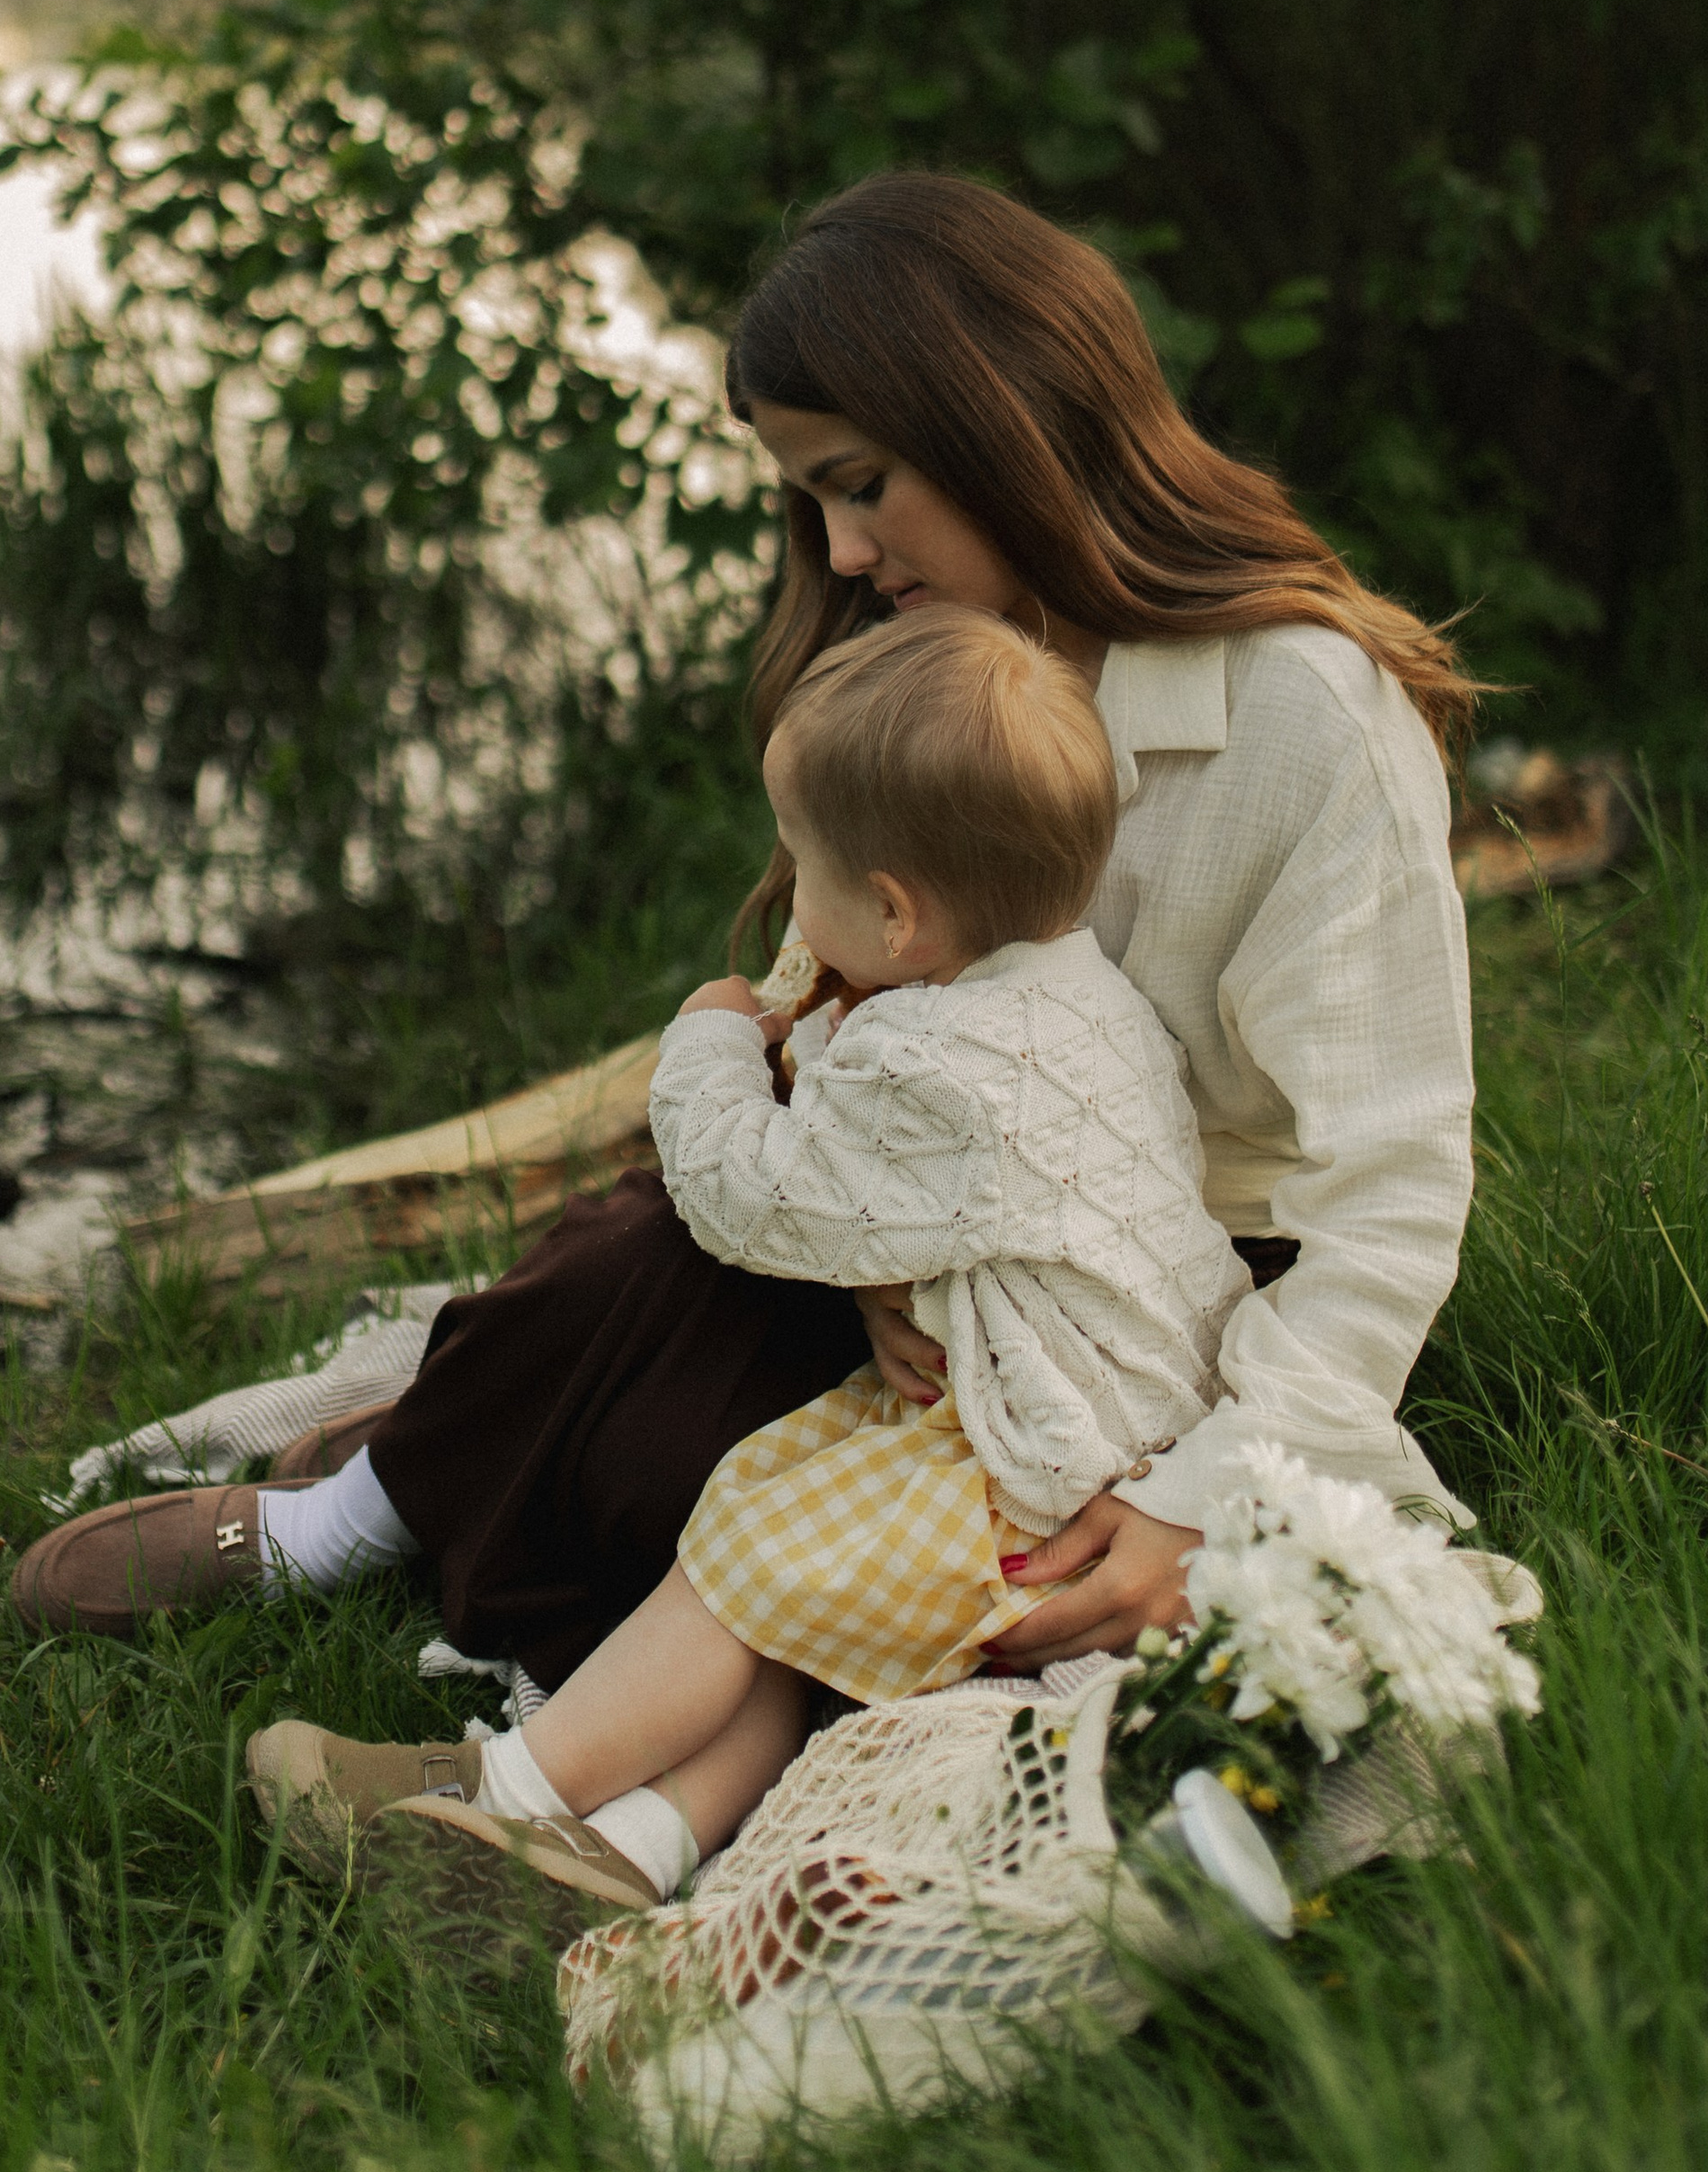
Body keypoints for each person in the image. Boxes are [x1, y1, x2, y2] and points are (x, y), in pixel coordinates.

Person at [13, 174, 1476, 1795]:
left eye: (864, 486)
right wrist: (867, 1243)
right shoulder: (927, 655)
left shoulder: (1306, 714)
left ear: (1011, 421)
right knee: (642, 1250)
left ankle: (446, 1510)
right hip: (917, 1255)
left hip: (1149, 1308)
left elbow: (1390, 1198)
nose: (843, 551)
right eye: (812, 501)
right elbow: (822, 1018)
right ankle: (346, 1515)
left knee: (657, 1468)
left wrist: (1205, 1493)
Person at [245, 601, 1253, 1919]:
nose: (785, 888)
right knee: (793, 1606)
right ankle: (633, 1857)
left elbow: (744, 1197)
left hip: (1044, 1476)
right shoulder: (1079, 994)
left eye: (799, 864)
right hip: (1116, 1421)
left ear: (897, 917)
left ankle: (502, 1793)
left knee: (744, 1556)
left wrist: (713, 1035)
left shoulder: (928, 1064)